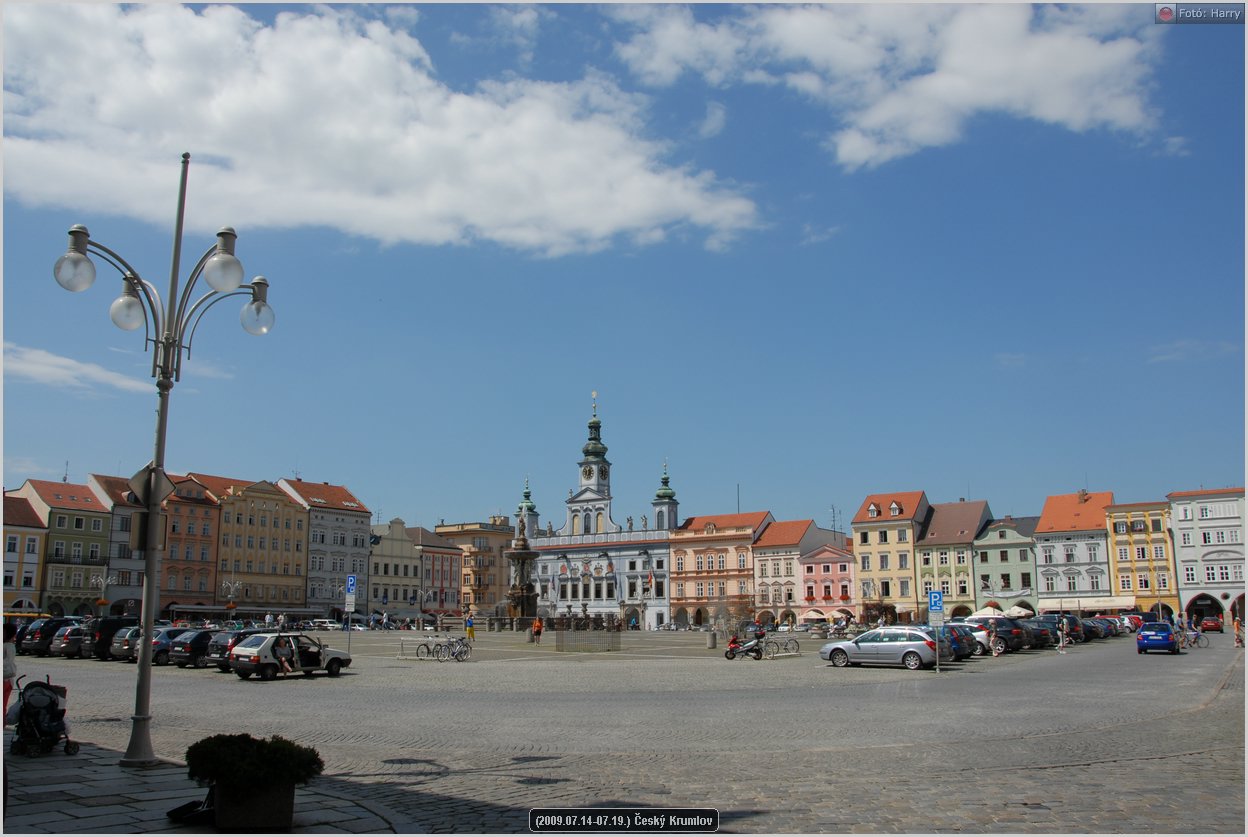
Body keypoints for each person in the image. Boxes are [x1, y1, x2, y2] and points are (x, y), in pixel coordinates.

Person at [3, 623, 17, 717]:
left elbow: (7, 661)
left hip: (4, 679)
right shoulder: (10, 645)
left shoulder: (7, 646)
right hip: (8, 679)